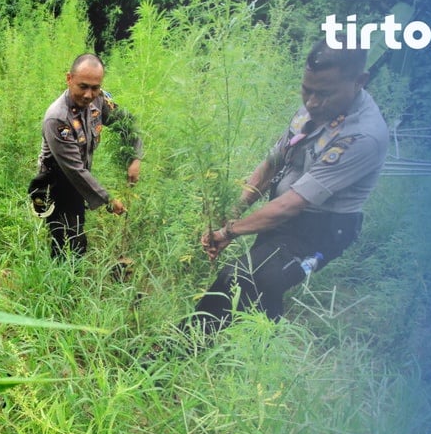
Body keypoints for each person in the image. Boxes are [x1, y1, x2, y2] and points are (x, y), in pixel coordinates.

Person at [189, 35, 388, 333]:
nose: (311, 102)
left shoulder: (363, 136)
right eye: (306, 90)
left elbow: (293, 203)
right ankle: (261, 345)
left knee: (242, 277)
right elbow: (272, 164)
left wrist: (230, 231)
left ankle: (182, 346)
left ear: (359, 81)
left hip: (319, 231)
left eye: (323, 94)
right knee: (263, 283)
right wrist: (234, 211)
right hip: (279, 215)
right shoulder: (316, 106)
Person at [29, 53, 144, 259]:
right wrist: (108, 199)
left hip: (79, 175)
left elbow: (126, 123)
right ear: (69, 79)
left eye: (95, 87)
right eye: (83, 86)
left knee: (76, 233)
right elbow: (74, 171)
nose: (89, 94)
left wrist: (135, 157)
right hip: (57, 182)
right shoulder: (57, 118)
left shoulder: (98, 100)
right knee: (67, 239)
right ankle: (61, 281)